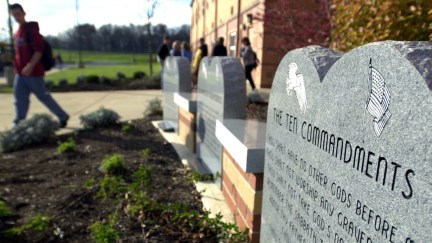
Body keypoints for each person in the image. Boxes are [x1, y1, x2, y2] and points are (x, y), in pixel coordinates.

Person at [9, 3, 69, 127]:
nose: (16, 17)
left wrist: (30, 66)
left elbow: (39, 50)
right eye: (14, 15)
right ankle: (19, 122)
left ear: (24, 13)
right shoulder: (17, 33)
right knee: (19, 99)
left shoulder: (31, 29)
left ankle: (62, 116)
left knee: (43, 97)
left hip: (34, 73)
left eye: (18, 14)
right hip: (20, 73)